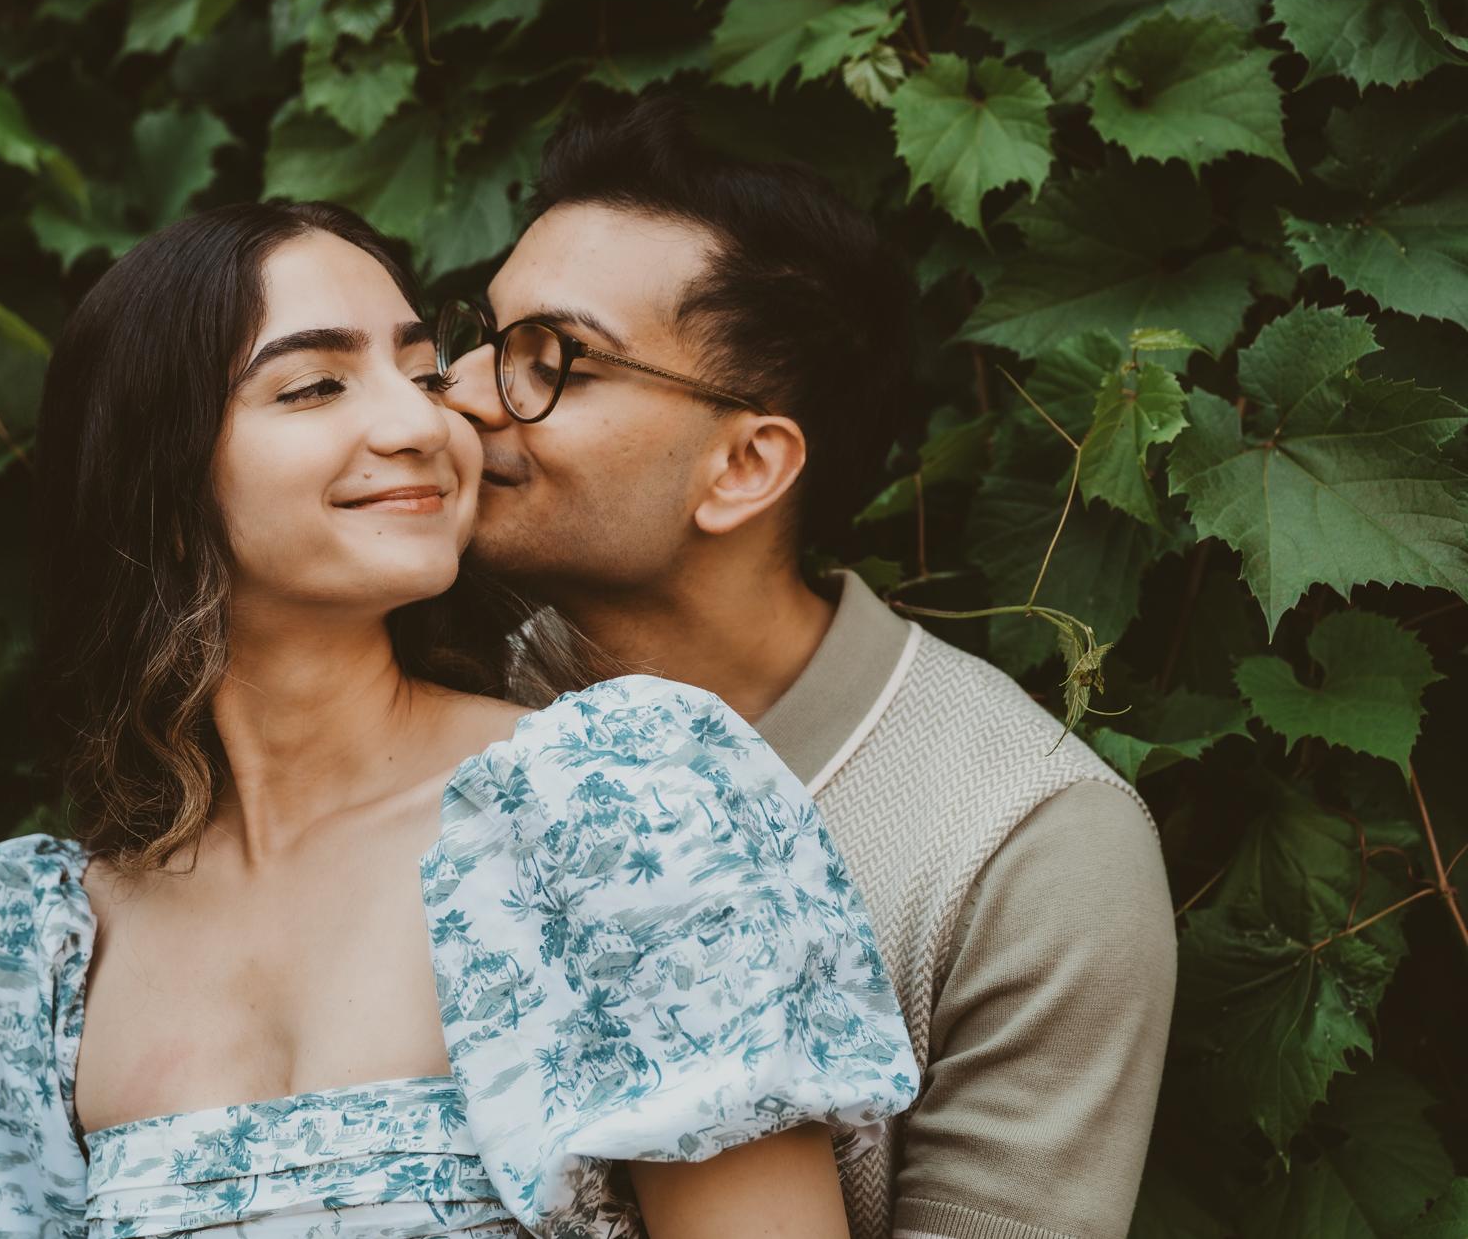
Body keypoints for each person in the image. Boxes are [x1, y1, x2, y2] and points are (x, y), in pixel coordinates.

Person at [0, 198, 919, 1238]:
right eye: (313, 385)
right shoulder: (41, 940)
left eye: (423, 369)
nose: (420, 424)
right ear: (158, 486)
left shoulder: (621, 804)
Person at [434, 96, 1176, 1239]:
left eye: (551, 361)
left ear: (742, 465)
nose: (464, 392)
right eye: (481, 338)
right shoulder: (421, 686)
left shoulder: (1021, 843)